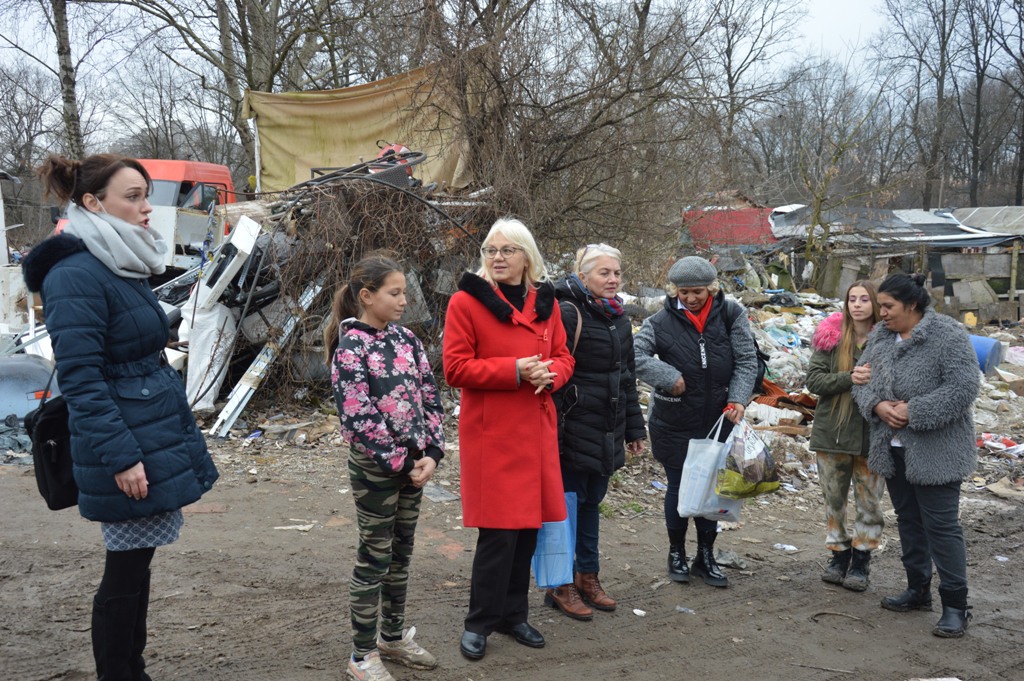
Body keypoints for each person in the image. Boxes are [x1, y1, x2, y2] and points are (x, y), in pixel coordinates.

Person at [22, 153, 219, 681]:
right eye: (132, 196)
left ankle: (132, 668)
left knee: (139, 563)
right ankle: (118, 673)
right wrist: (123, 457)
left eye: (145, 195)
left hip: (150, 430)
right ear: (92, 202)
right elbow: (82, 379)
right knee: (125, 570)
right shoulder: (75, 274)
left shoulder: (115, 257)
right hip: (126, 444)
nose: (146, 208)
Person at [442, 217, 574, 660]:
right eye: (491, 250)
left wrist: (551, 374)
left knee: (529, 529)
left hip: (536, 430)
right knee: (498, 534)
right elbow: (455, 368)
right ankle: (479, 622)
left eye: (507, 250)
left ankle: (514, 615)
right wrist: (515, 369)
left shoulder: (547, 303)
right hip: (492, 433)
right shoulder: (466, 302)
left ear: (526, 257)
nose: (497, 257)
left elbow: (563, 357)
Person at [325, 254, 445, 681]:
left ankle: (391, 639)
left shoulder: (407, 340)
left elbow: (430, 395)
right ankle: (361, 655)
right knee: (374, 558)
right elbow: (358, 417)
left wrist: (432, 452)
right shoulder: (350, 348)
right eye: (395, 293)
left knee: (401, 555)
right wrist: (401, 461)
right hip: (377, 471)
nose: (403, 300)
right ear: (366, 295)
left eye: (404, 292)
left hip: (415, 467)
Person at [852, 273, 980, 638]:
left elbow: (963, 388)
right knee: (909, 521)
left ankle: (956, 605)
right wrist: (876, 406)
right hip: (892, 450)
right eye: (880, 307)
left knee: (941, 527)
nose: (882, 313)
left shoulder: (948, 335)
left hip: (937, 452)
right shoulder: (880, 337)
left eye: (888, 307)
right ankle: (918, 590)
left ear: (912, 305)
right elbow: (861, 382)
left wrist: (914, 411)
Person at [634, 256, 758, 588]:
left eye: (698, 292)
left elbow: (747, 360)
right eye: (684, 291)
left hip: (720, 419)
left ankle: (706, 555)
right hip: (673, 419)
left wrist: (738, 398)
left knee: (712, 489)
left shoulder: (732, 315)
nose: (690, 298)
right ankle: (676, 553)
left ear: (712, 289)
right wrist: (667, 375)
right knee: (678, 487)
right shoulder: (660, 321)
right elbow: (634, 355)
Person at [547, 243, 645, 620]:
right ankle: (560, 584)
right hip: (573, 428)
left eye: (617, 273)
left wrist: (634, 428)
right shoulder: (568, 311)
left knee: (590, 506)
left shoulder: (619, 318)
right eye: (604, 273)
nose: (613, 279)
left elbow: (626, 378)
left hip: (607, 429)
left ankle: (588, 576)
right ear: (583, 275)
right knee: (565, 510)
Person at [806, 281, 885, 591]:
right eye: (852, 298)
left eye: (865, 299)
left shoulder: (888, 342)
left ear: (876, 304)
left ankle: (862, 559)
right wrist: (848, 378)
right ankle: (839, 555)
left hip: (873, 435)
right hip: (832, 433)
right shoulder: (831, 337)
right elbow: (813, 380)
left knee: (870, 503)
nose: (857, 304)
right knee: (833, 501)